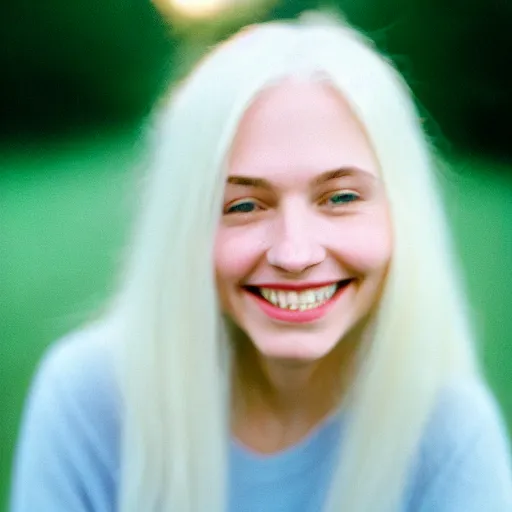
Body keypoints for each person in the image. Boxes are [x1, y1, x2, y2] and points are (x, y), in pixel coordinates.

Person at [10, 11, 512, 512]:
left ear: (403, 215)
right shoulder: (88, 400)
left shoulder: (450, 437)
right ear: (182, 230)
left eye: (339, 198)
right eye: (244, 206)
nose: (295, 254)